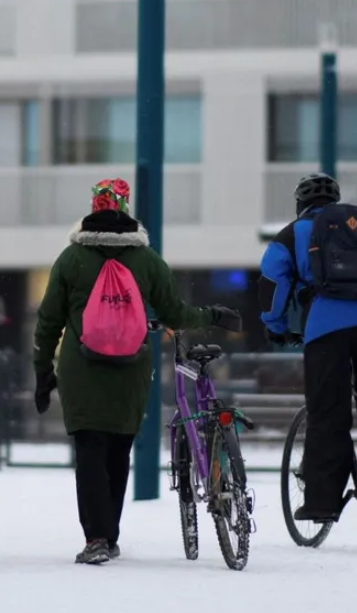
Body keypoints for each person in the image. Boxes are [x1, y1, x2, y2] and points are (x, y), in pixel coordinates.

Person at [33, 178, 242, 565]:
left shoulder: (71, 259)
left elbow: (48, 321)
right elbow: (175, 314)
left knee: (90, 452)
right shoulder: (146, 259)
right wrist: (212, 315)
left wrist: (43, 370)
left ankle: (96, 538)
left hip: (82, 366)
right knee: (117, 450)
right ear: (125, 208)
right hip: (130, 367)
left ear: (92, 209)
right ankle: (109, 535)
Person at [258, 173, 357, 524]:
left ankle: (322, 503)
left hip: (326, 329)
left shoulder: (293, 234)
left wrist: (276, 327)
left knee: (328, 411)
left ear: (300, 204)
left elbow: (273, 284)